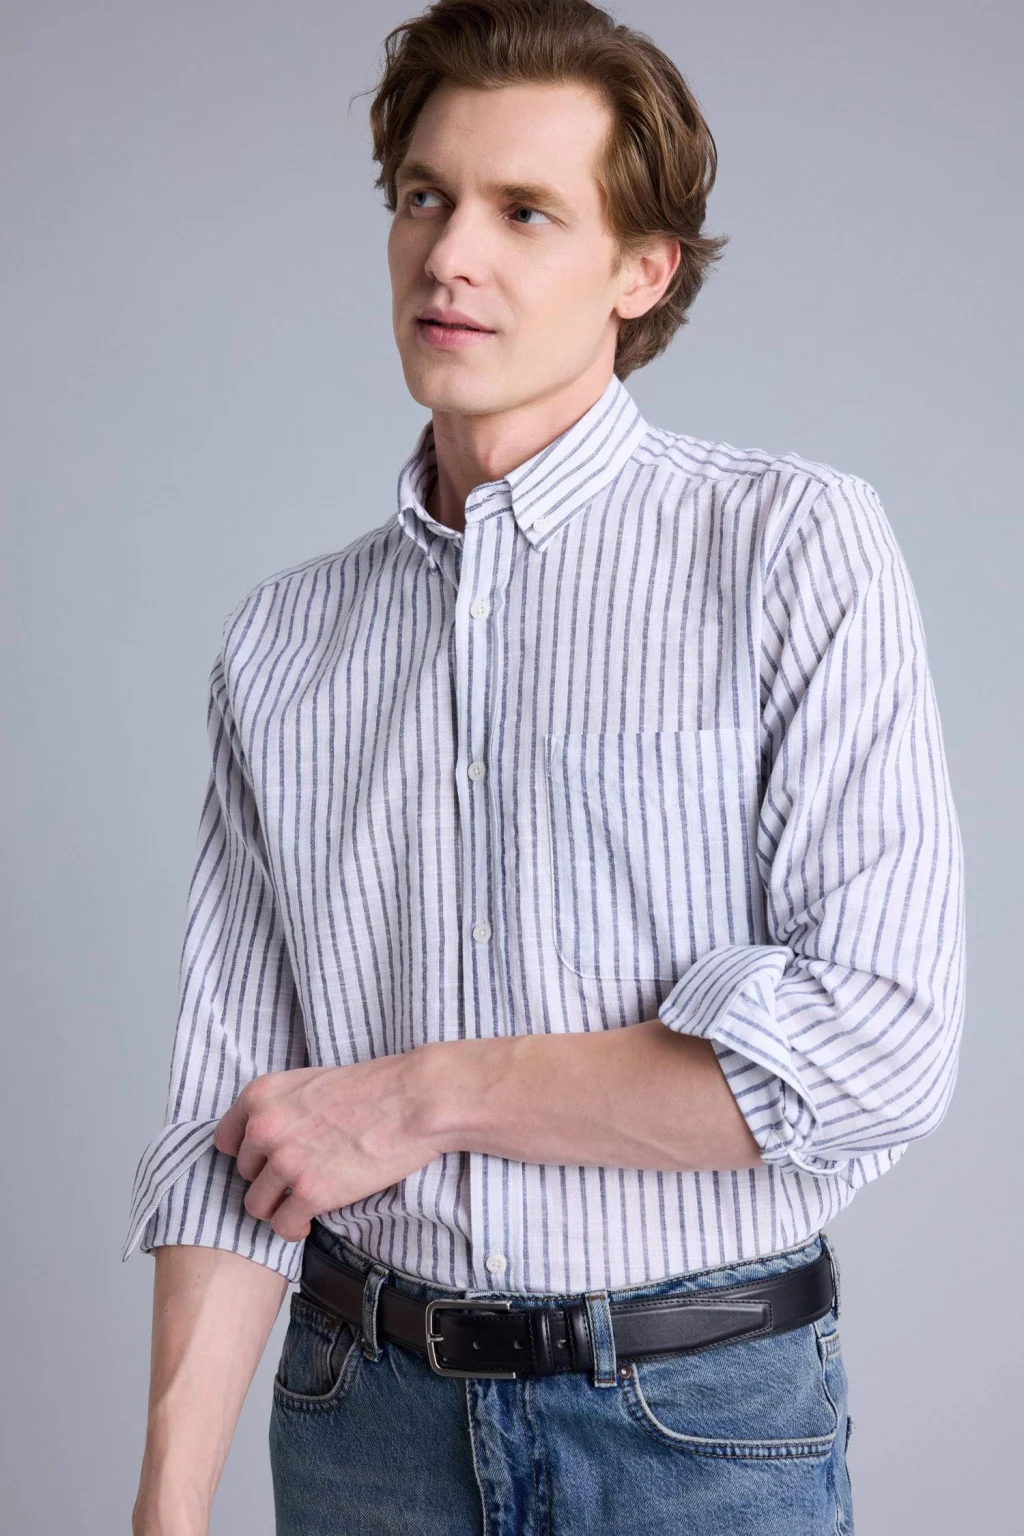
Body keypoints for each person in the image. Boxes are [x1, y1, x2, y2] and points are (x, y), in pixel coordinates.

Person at [124, 2, 966, 1533]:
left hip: (693, 1429)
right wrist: (167, 1509)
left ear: (641, 272)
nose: (450, 254)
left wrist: (424, 1097)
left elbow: (875, 1048)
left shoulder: (788, 548)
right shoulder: (285, 642)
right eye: (425, 196)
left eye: (525, 211)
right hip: (362, 1425)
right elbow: (229, 1126)